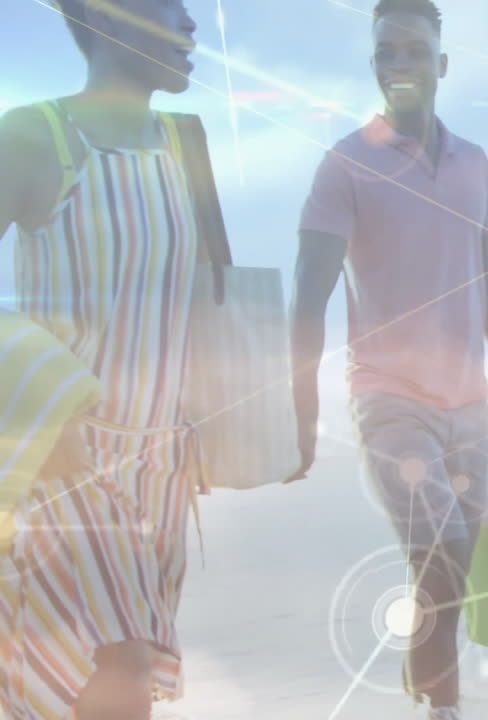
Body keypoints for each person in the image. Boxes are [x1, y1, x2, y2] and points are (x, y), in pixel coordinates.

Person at [290, 0, 488, 717]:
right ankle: (438, 699)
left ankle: (433, 696)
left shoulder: (476, 165)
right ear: (373, 65)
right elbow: (307, 295)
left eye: (412, 51)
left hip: (470, 405)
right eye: (385, 54)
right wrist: (301, 412)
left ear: (442, 63)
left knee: (453, 568)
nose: (399, 66)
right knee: (439, 551)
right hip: (388, 399)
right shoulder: (345, 165)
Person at [0, 0, 204, 717]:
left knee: (122, 679)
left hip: (163, 469)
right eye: (167, 4)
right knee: (115, 664)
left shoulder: (188, 144)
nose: (189, 23)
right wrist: (37, 425)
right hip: (67, 460)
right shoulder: (35, 134)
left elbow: (214, 302)